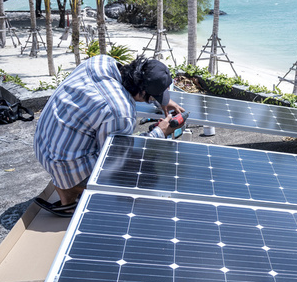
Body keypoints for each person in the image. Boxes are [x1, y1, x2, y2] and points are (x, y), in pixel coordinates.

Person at [33, 54, 185, 216]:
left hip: (42, 144)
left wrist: (159, 100)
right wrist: (159, 132)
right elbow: (114, 158)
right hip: (63, 164)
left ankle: (66, 186)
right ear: (142, 92)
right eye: (152, 98)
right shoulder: (120, 112)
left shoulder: (101, 62)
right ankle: (69, 194)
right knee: (143, 170)